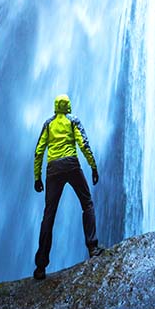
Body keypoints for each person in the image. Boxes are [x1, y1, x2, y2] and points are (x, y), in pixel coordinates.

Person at [33, 93, 101, 280]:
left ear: (55, 107)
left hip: (53, 169)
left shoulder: (48, 124)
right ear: (68, 105)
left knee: (49, 214)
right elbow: (84, 144)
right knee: (87, 203)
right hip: (71, 164)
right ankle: (93, 247)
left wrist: (37, 178)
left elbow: (39, 151)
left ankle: (40, 266)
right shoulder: (73, 121)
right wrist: (93, 167)